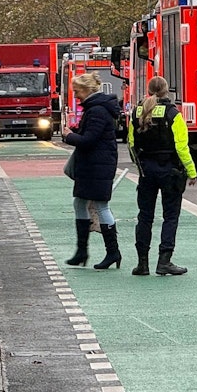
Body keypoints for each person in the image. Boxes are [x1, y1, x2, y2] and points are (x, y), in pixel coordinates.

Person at [128, 76, 197, 276]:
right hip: (170, 171)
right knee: (170, 216)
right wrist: (191, 172)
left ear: (149, 90)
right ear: (167, 91)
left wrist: (140, 166)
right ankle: (164, 261)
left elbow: (131, 144)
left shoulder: (137, 112)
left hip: (146, 171)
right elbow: (181, 147)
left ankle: (142, 263)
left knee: (145, 216)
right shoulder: (173, 114)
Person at [62, 72, 123, 270]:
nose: (76, 95)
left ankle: (111, 252)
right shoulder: (96, 109)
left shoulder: (96, 111)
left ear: (88, 90)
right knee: (80, 203)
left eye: (77, 91)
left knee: (101, 206)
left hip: (97, 166)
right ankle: (82, 251)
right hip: (93, 165)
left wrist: (69, 136)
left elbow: (89, 140)